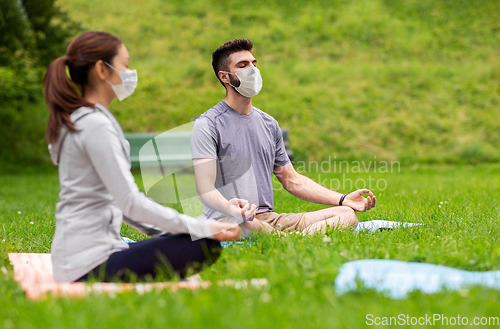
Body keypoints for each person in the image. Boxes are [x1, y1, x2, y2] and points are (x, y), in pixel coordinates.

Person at [43, 31, 240, 283]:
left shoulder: (83, 120)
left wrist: (174, 231)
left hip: (78, 258)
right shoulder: (95, 125)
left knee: (192, 238)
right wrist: (204, 228)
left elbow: (123, 206)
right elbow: (130, 203)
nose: (129, 72)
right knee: (202, 245)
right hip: (87, 264)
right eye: (124, 64)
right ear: (102, 71)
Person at [190, 39, 376, 235]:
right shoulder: (208, 124)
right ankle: (294, 239)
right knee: (248, 225)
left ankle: (291, 239)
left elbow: (292, 180)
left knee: (347, 215)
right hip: (229, 220)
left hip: (269, 218)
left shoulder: (269, 124)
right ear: (224, 77)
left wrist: (343, 199)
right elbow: (205, 188)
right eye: (242, 65)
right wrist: (230, 208)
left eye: (254, 63)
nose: (252, 70)